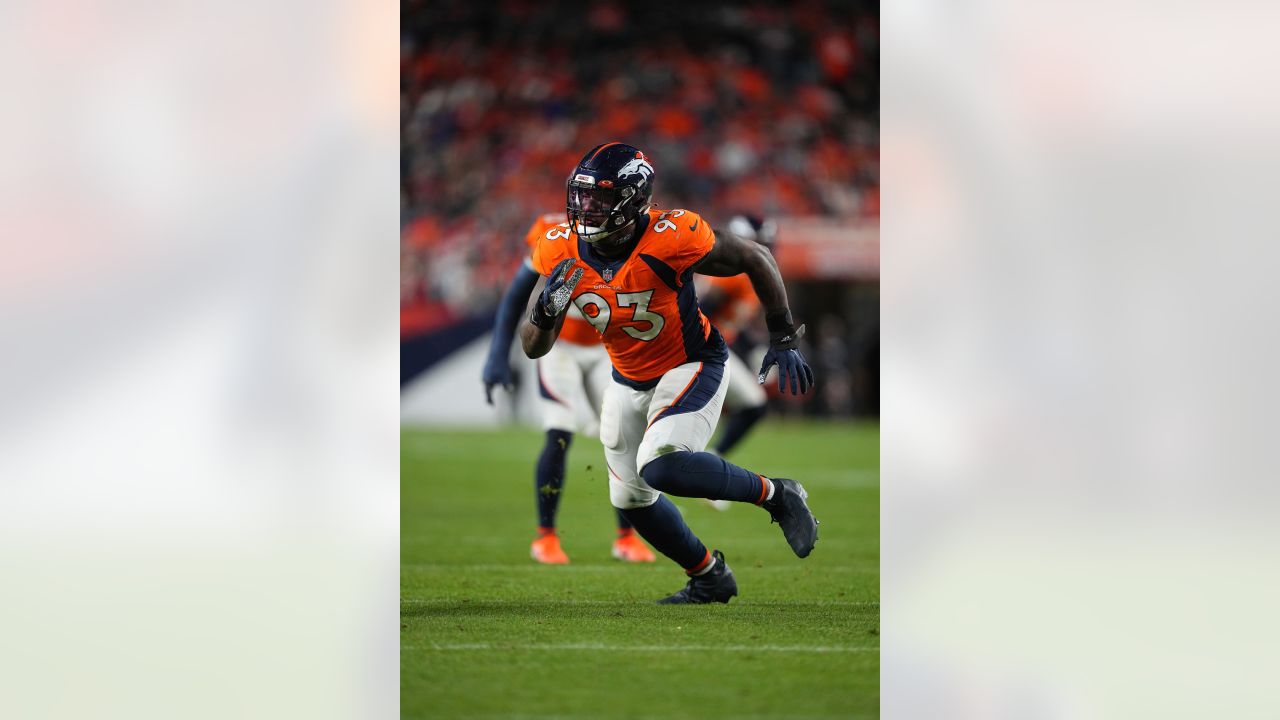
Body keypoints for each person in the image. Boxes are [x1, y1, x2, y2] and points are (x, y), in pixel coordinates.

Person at [521, 142, 818, 604]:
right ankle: (709, 575)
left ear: (633, 198)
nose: (585, 209)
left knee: (662, 464)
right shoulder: (561, 248)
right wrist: (544, 312)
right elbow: (534, 347)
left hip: (690, 363)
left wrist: (783, 336)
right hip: (625, 378)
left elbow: (756, 256)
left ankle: (776, 494)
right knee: (630, 500)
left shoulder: (673, 235)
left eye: (598, 199)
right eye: (580, 197)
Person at [483, 213, 656, 565]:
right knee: (560, 433)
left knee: (624, 431)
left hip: (602, 348)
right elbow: (518, 291)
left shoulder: (627, 228)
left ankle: (626, 537)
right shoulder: (552, 231)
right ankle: (545, 537)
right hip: (559, 348)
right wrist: (498, 353)